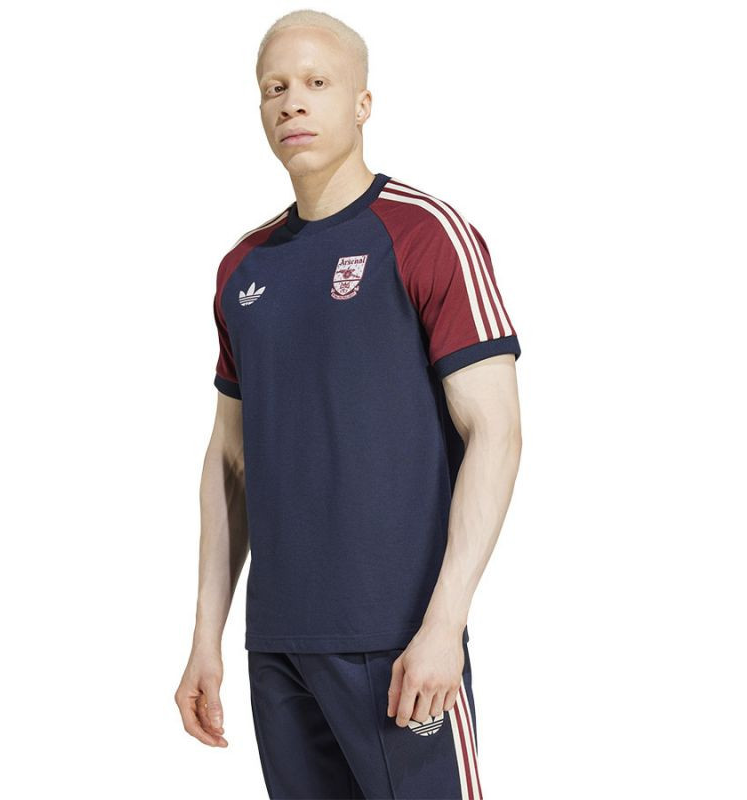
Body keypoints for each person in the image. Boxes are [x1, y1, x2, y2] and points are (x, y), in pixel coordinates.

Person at [174, 9, 522, 799]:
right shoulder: (243, 268)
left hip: (400, 641)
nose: (292, 101)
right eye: (275, 88)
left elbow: (497, 432)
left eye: (317, 82)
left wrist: (444, 625)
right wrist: (206, 638)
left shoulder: (427, 234)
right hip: (281, 647)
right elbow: (229, 462)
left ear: (363, 103)